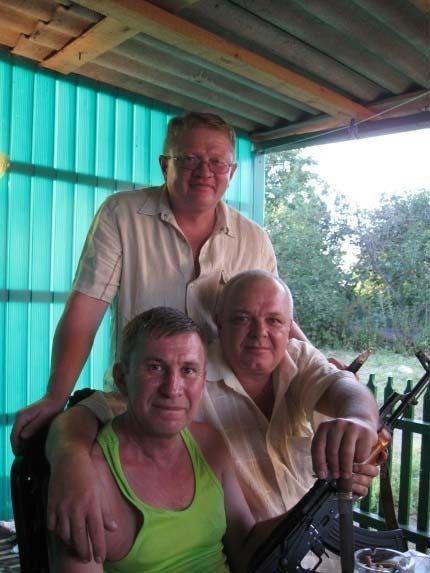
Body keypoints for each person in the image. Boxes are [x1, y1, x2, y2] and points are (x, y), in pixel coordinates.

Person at [12, 112, 309, 453]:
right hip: (140, 405)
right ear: (164, 165)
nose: (204, 172)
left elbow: (275, 319)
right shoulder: (122, 215)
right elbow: (85, 311)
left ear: (232, 172)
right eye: (189, 159)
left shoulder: (253, 239)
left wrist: (321, 363)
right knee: (72, 452)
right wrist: (55, 397)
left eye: (217, 162)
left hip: (226, 410)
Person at [46, 271, 380, 565]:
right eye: (243, 319)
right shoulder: (189, 374)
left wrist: (362, 423)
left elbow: (346, 389)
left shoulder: (298, 359)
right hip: (262, 557)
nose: (259, 333)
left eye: (274, 321)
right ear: (219, 321)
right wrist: (70, 461)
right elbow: (89, 411)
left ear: (289, 326)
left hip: (318, 545)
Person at [50, 306, 283, 573]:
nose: (173, 388)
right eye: (155, 368)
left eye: (188, 370)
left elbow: (245, 549)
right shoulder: (89, 478)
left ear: (203, 380)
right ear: (122, 379)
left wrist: (312, 506)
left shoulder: (209, 444)